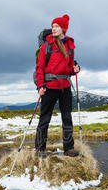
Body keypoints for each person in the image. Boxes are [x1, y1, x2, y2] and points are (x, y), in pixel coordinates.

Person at [35, 14, 81, 157]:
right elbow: (39, 68)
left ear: (63, 29)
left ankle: (69, 149)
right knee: (45, 118)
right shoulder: (46, 46)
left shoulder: (70, 46)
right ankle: (39, 149)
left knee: (67, 117)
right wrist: (40, 85)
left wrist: (75, 69)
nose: (53, 29)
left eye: (56, 26)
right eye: (53, 26)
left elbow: (69, 67)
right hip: (49, 87)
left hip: (65, 87)